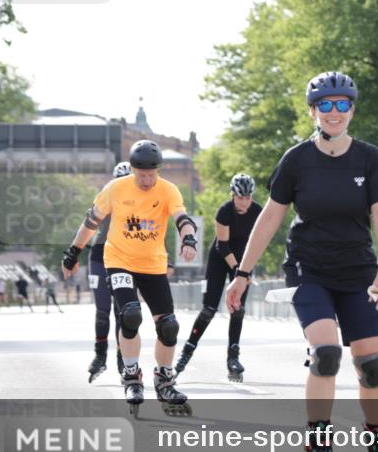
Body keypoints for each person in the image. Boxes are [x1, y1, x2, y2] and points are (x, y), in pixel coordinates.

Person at [226, 71, 378, 452]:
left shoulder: (369, 158)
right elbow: (270, 218)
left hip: (357, 272)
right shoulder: (296, 160)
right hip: (309, 270)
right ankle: (318, 442)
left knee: (372, 365)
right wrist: (242, 273)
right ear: (313, 111)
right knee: (327, 353)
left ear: (352, 109)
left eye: (342, 104)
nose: (335, 112)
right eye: (326, 105)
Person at [61, 140, 199, 415]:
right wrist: (73, 252)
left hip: (153, 265)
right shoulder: (115, 189)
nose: (147, 180)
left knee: (169, 326)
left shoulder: (168, 189)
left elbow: (182, 218)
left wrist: (189, 240)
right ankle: (132, 375)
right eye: (141, 175)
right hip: (119, 261)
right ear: (133, 170)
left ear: (158, 171)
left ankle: (164, 379)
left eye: (152, 174)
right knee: (130, 314)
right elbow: (91, 223)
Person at [175, 173, 262, 382]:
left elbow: (259, 243)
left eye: (248, 197)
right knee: (209, 309)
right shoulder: (224, 211)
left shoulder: (258, 212)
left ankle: (233, 358)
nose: (245, 202)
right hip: (220, 258)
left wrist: (245, 271)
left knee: (237, 308)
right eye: (241, 197)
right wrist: (237, 271)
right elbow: (222, 245)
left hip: (243, 260)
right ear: (233, 195)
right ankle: (186, 351)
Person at [86, 161, 131, 383]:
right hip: (99, 256)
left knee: (123, 312)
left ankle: (123, 359)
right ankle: (99, 355)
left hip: (126, 258)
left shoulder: (142, 203)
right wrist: (74, 252)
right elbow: (89, 223)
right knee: (103, 311)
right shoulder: (106, 197)